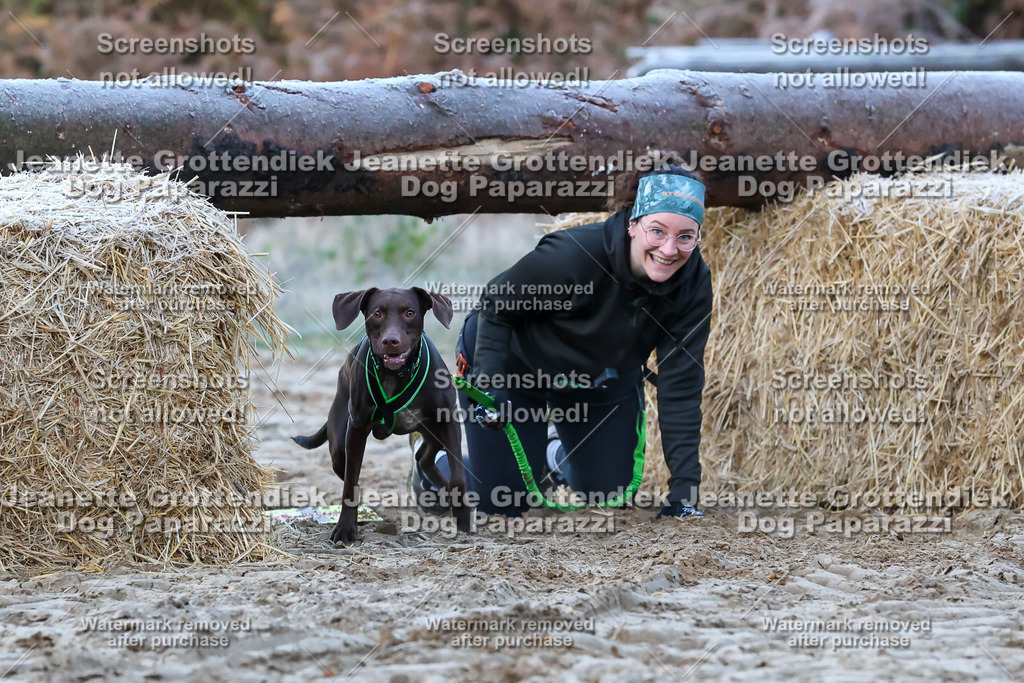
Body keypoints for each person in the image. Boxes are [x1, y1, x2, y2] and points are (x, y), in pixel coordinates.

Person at [417, 163, 712, 519]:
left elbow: (680, 386)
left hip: (599, 380)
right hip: (513, 369)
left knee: (609, 495)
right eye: (657, 231)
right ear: (633, 224)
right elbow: (497, 305)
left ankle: (556, 457)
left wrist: (684, 494)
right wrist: (490, 388)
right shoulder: (574, 255)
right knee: (503, 502)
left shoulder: (693, 282)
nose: (669, 249)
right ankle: (433, 470)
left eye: (685, 236)